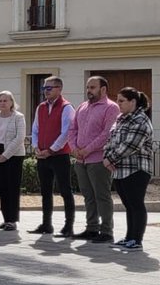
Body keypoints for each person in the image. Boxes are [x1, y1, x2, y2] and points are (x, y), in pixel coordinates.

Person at [70, 76, 120, 244]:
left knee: (102, 196)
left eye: (92, 87)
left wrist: (87, 149)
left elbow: (107, 134)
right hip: (80, 160)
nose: (89, 90)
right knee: (88, 196)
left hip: (98, 160)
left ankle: (107, 231)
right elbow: (72, 129)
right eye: (87, 87)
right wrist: (74, 148)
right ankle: (92, 228)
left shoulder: (111, 108)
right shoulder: (82, 107)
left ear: (103, 89)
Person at [103, 87, 153, 252]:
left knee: (136, 204)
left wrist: (110, 159)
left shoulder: (141, 120)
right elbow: (111, 139)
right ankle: (129, 237)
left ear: (133, 102)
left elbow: (130, 146)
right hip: (119, 169)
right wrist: (106, 156)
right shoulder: (120, 118)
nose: (118, 104)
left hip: (136, 169)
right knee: (128, 205)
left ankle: (136, 240)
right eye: (117, 100)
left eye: (122, 101)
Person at [27, 76, 76, 237]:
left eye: (49, 88)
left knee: (65, 191)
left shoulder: (66, 107)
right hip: (42, 156)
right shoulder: (41, 107)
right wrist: (36, 147)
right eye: (44, 88)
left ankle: (68, 226)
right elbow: (35, 129)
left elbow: (66, 133)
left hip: (59, 156)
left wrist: (51, 150)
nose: (45, 91)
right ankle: (46, 224)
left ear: (59, 89)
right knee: (45, 191)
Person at [0, 91, 26, 231]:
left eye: (6, 100)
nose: (2, 103)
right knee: (2, 188)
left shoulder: (18, 117)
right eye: (0, 100)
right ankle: (6, 219)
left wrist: (6, 155)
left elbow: (20, 138)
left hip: (14, 155)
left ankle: (13, 220)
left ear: (12, 102)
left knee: (12, 187)